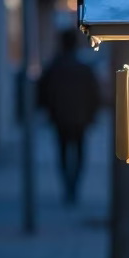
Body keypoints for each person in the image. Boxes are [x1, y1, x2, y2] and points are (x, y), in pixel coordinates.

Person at [37, 28, 101, 204]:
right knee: (79, 154)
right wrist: (92, 115)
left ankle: (68, 186)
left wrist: (48, 112)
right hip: (80, 119)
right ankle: (73, 186)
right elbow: (94, 94)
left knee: (63, 153)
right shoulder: (83, 68)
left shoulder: (54, 67)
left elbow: (42, 93)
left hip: (60, 118)